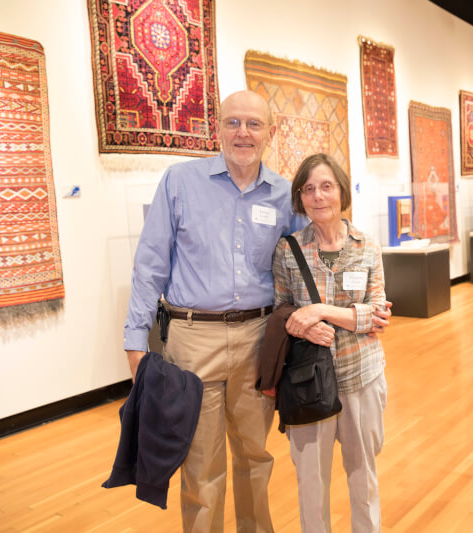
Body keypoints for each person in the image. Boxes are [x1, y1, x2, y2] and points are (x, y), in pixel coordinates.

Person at [123, 90, 298, 532]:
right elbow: (149, 266)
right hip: (192, 338)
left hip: (258, 338)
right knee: (200, 465)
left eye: (254, 124)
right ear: (216, 128)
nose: (243, 133)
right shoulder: (180, 182)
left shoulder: (282, 194)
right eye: (233, 122)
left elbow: (304, 260)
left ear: (270, 133)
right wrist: (134, 342)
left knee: (255, 455)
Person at [272, 153, 389, 533]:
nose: (318, 196)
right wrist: (303, 326)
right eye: (308, 189)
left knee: (364, 478)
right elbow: (281, 312)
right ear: (299, 197)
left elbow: (375, 316)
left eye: (326, 186)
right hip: (308, 384)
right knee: (311, 484)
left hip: (362, 376)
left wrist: (320, 311)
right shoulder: (288, 250)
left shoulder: (366, 246)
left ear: (341, 190)